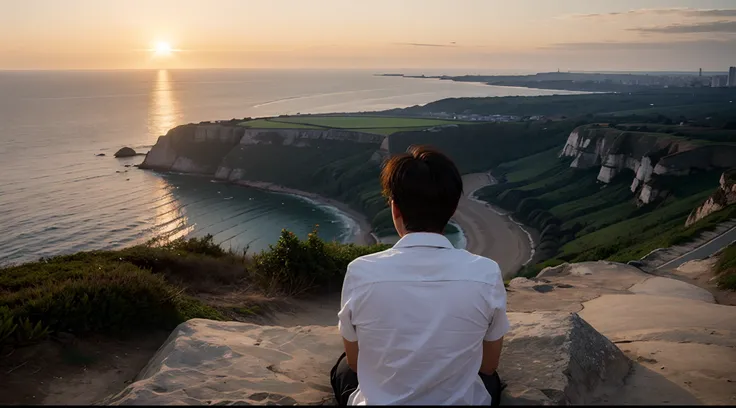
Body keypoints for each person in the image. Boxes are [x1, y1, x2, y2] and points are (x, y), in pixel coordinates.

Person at [330, 145, 510, 406]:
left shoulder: (361, 271)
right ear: (452, 208)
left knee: (344, 369)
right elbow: (489, 366)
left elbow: (357, 362)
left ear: (395, 209)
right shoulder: (485, 271)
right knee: (489, 381)